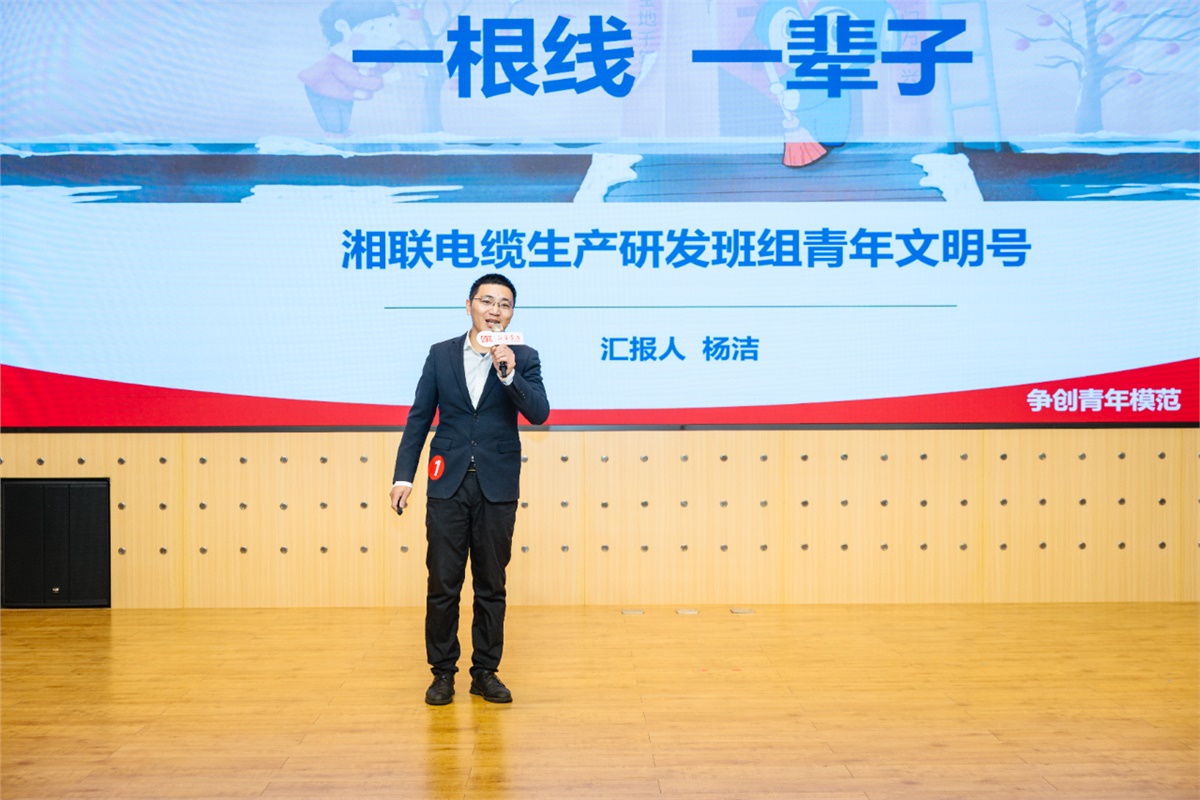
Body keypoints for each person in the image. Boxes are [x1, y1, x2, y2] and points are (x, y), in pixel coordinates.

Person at [390, 273, 549, 705]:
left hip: (497, 485)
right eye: (487, 301)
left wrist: (509, 375)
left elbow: (539, 412)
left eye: (504, 304)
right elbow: (419, 418)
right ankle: (442, 673)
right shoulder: (440, 354)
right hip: (448, 483)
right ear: (469, 305)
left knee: (490, 584)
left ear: (511, 313)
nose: (495, 310)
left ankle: (485, 672)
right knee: (443, 583)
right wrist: (404, 476)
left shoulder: (523, 357)